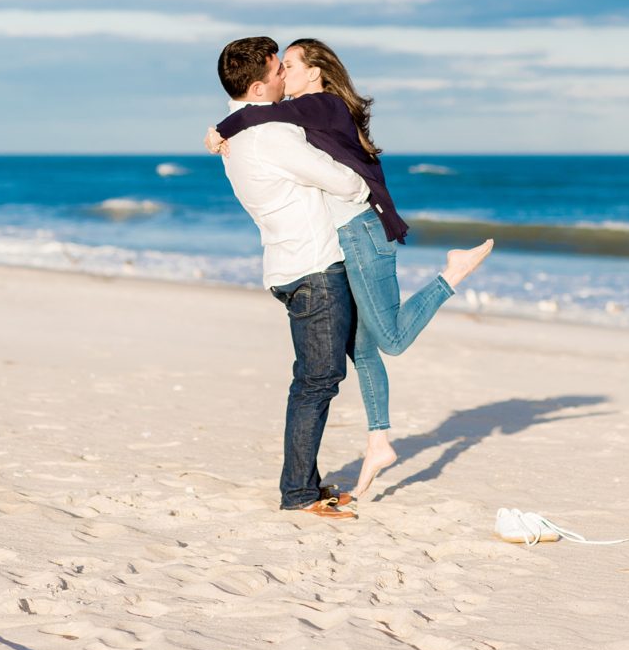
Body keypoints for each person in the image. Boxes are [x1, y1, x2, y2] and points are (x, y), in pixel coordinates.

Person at [207, 38, 493, 498]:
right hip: (329, 250)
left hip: (345, 238)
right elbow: (276, 130)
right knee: (355, 355)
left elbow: (261, 118)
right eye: (280, 67)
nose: (285, 73)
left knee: (381, 344)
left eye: (291, 65)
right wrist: (228, 126)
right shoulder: (285, 121)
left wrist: (222, 126)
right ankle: (376, 442)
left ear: (316, 72)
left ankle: (452, 274)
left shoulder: (317, 107)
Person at [213, 36, 371, 521]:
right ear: (260, 87)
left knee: (312, 379)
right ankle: (299, 492)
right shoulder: (271, 136)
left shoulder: (240, 135)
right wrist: (358, 177)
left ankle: (302, 482)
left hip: (287, 266)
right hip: (315, 268)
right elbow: (346, 181)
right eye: (279, 69)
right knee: (317, 381)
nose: (287, 74)